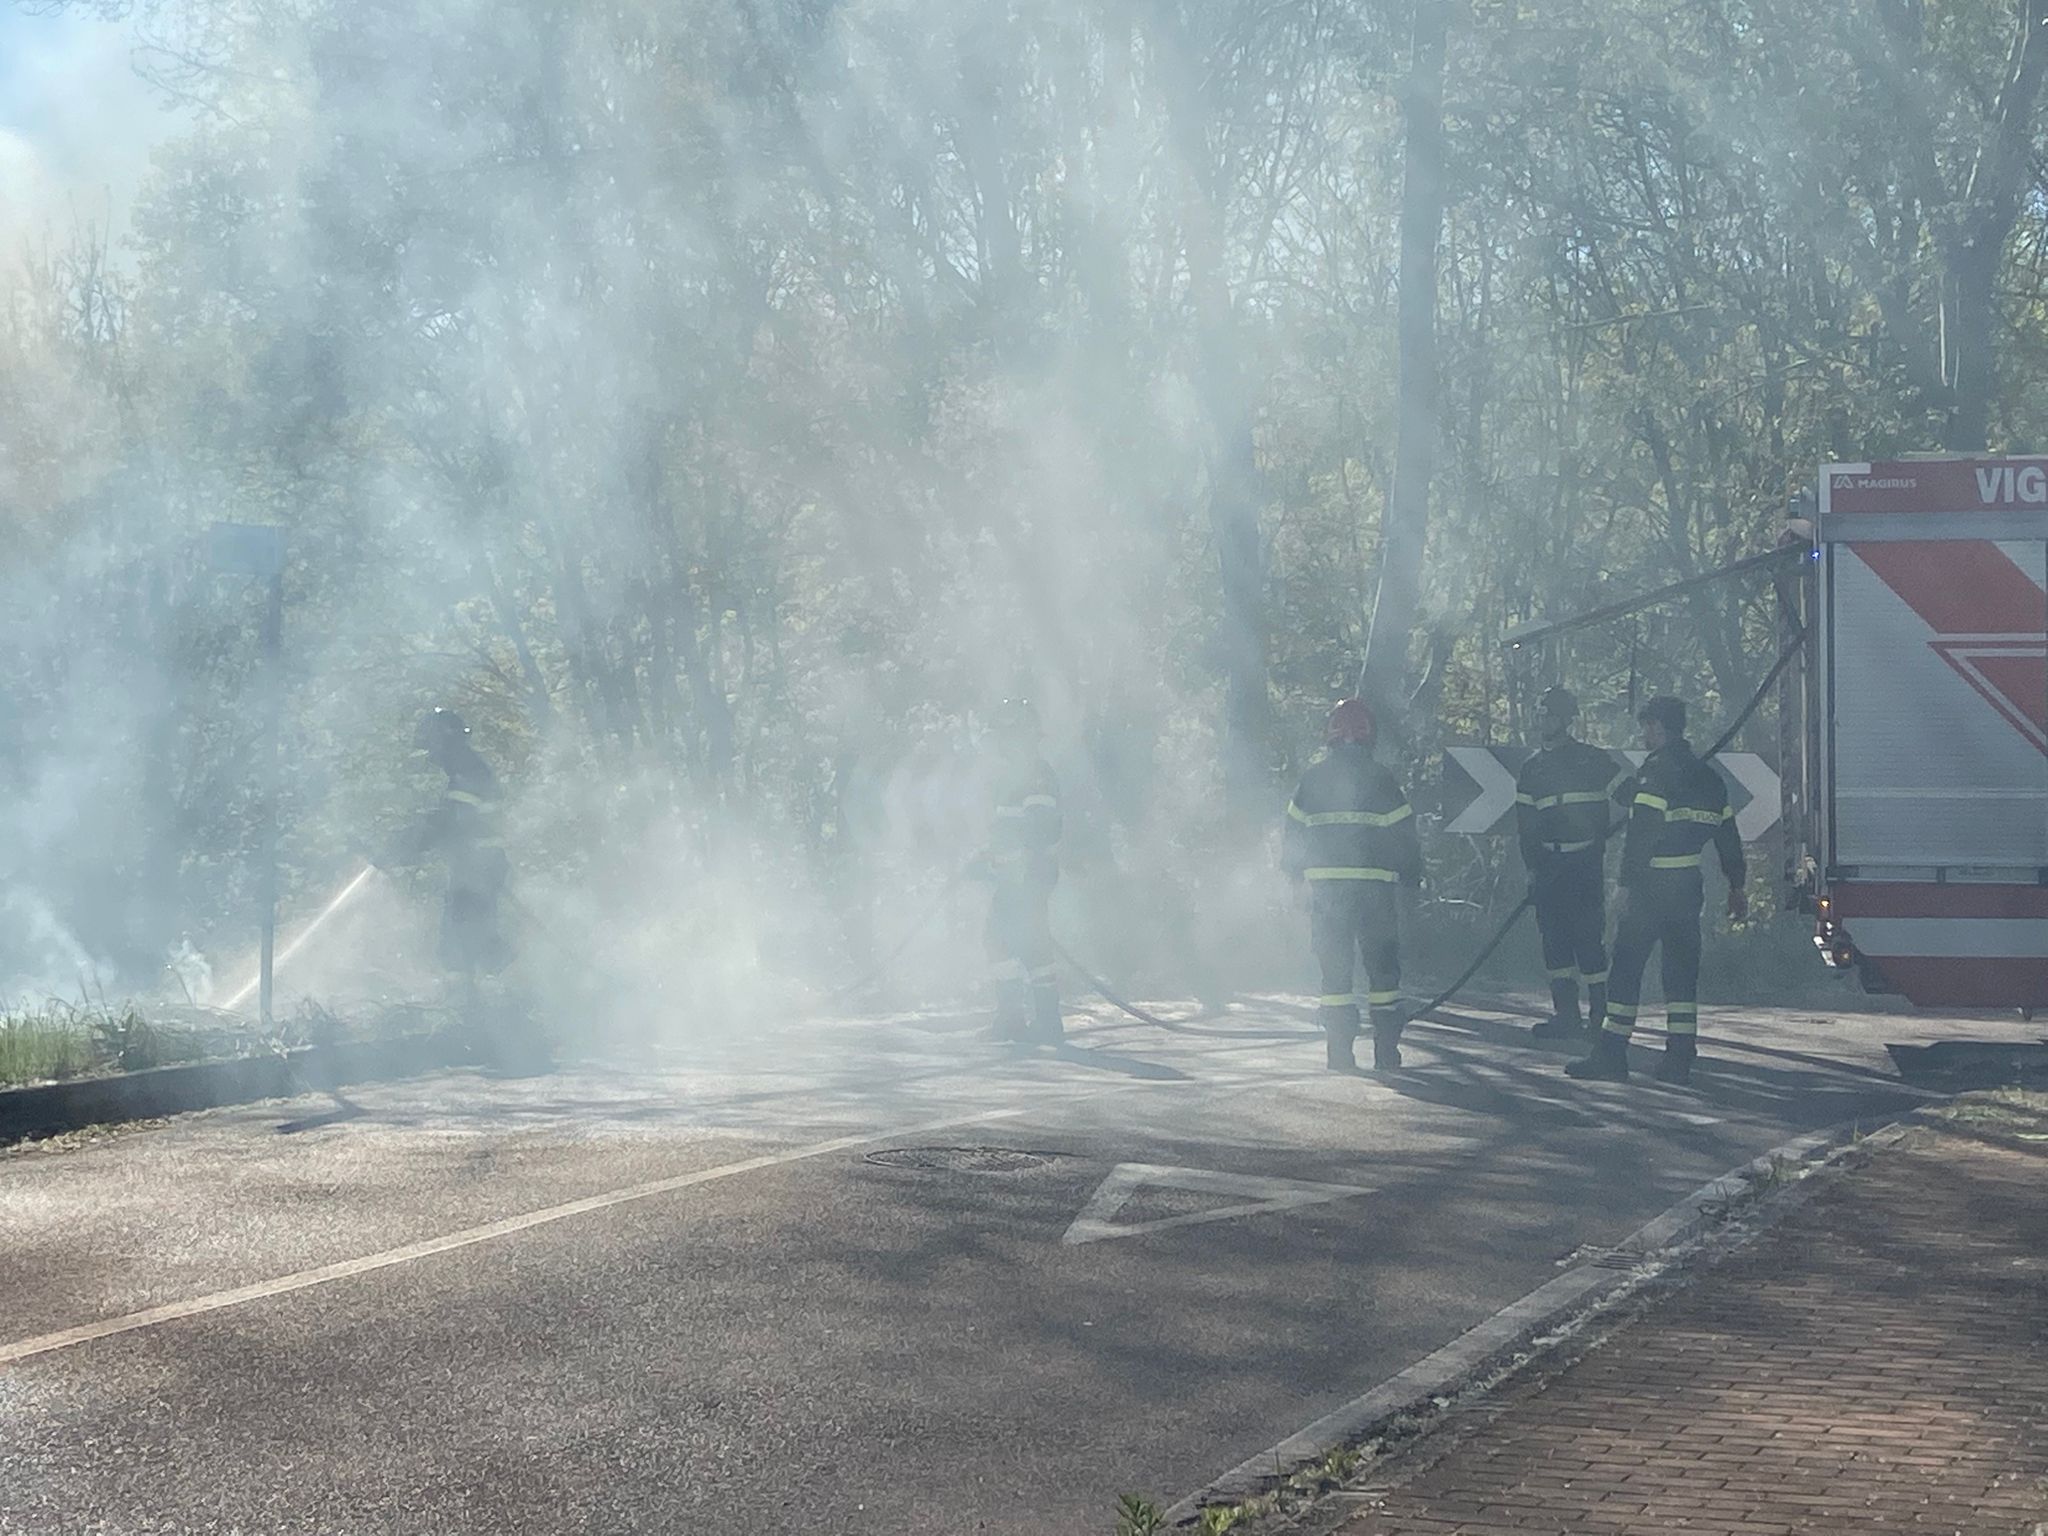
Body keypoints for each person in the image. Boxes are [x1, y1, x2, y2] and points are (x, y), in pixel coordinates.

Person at [1566, 696, 1746, 1086]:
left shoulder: (1657, 772)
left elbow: (1642, 832)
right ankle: (1680, 1057)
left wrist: (1625, 885)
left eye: (1647, 725)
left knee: (1626, 970)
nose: (1643, 733)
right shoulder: (1708, 778)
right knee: (1681, 976)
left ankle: (1612, 1054)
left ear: (1660, 727)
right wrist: (1737, 885)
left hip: (1651, 888)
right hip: (1688, 888)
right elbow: (1727, 836)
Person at [1282, 698, 1423, 1072]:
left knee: (1335, 976)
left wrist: (1296, 881)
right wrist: (1412, 882)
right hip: (1376, 895)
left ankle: (1339, 1055)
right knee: (1383, 977)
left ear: (1329, 736)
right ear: (1369, 736)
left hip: (1327, 897)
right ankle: (1386, 1055)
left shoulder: (1311, 780)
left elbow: (1292, 836)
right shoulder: (1382, 779)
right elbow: (1406, 836)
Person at [1515, 686, 1625, 1043]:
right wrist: (1532, 868)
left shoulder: (1592, 760)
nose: (1543, 721)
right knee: (1555, 943)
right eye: (1541, 714)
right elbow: (1526, 826)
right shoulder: (1532, 769)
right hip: (1548, 864)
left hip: (1584, 863)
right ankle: (1566, 1016)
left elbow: (1631, 792)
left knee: (1589, 941)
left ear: (1566, 720)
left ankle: (1601, 1017)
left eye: (1550, 715)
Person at [383, 708, 514, 994]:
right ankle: (483, 998)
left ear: (446, 741)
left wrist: (408, 847)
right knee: (471, 935)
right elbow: (448, 820)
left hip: (479, 867)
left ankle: (472, 1004)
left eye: (432, 745)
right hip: (478, 865)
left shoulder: (468, 772)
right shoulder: (466, 770)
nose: (432, 754)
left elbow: (451, 823)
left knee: (459, 941)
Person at [970, 697, 1063, 1045]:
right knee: (1008, 943)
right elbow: (1008, 831)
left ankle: (1034, 1022)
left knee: (1021, 945)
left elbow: (1039, 830)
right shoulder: (1017, 776)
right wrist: (988, 858)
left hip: (1027, 880)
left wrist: (1022, 868)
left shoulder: (1034, 776)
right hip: (1017, 878)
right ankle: (1028, 1021)